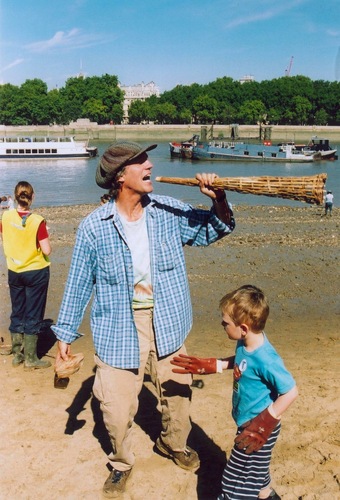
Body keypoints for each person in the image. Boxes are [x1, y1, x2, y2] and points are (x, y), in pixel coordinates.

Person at [52, 140, 235, 498]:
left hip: (168, 320)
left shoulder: (167, 210)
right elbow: (77, 282)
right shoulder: (94, 227)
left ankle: (173, 444)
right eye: (141, 162)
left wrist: (218, 198)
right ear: (121, 177)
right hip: (118, 327)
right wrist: (65, 336)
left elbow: (214, 229)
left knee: (178, 397)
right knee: (116, 411)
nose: (150, 165)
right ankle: (121, 462)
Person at [172, 285, 298, 500]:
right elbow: (244, 363)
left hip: (257, 431)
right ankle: (266, 494)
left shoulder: (267, 358)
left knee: (234, 484)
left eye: (226, 322)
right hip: (249, 424)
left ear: (243, 328)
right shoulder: (245, 343)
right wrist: (217, 365)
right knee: (256, 478)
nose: (222, 324)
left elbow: (291, 391)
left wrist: (263, 424)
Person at [0, 181, 52, 369]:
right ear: (32, 197)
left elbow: (5, 238)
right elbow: (47, 249)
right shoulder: (37, 220)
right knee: (33, 313)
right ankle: (30, 358)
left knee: (18, 310)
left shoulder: (6, 217)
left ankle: (17, 354)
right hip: (35, 271)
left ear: (15, 197)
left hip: (14, 271)